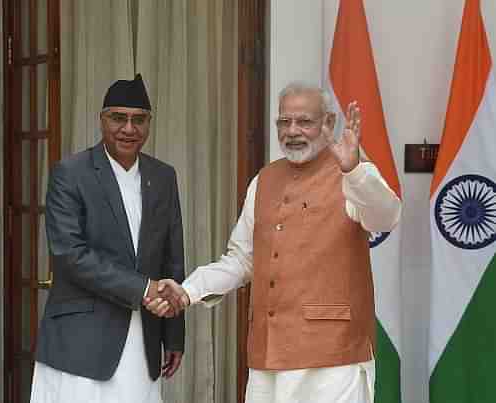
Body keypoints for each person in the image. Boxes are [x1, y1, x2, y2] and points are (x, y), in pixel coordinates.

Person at [146, 82, 402, 403]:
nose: (292, 131)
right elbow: (241, 261)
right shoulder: (263, 180)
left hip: (333, 358)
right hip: (268, 356)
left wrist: (353, 170)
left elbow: (385, 216)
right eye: (284, 122)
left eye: (304, 121)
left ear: (329, 123)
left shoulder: (352, 173)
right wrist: (189, 291)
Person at [30, 74, 185, 403]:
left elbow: (172, 258)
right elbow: (70, 255)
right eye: (118, 118)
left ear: (149, 124)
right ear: (102, 120)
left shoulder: (163, 176)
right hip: (80, 344)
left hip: (143, 338)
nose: (129, 129)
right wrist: (144, 288)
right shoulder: (70, 173)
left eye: (139, 120)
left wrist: (173, 335)